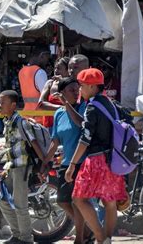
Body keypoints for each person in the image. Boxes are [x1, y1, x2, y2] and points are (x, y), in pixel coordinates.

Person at [65, 68, 131, 244]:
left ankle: (100, 237)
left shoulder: (92, 107)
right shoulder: (111, 104)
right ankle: (107, 239)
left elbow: (85, 138)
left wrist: (72, 165)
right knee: (109, 202)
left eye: (82, 86)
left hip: (96, 161)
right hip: (113, 160)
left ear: (93, 87)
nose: (80, 90)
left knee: (78, 199)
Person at [43, 78, 92, 244]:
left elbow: (80, 123)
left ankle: (80, 238)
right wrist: (45, 160)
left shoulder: (84, 108)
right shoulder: (59, 113)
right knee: (62, 201)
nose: (76, 92)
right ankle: (86, 229)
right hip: (66, 164)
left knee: (78, 202)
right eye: (71, 90)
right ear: (62, 92)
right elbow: (55, 140)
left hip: (81, 163)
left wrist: (67, 104)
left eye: (77, 89)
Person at [0, 90, 46, 244]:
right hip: (12, 166)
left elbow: (34, 143)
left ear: (13, 105)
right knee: (3, 201)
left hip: (22, 168)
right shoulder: (7, 121)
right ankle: (17, 235)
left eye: (2, 102)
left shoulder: (20, 122)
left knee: (20, 205)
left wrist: (43, 165)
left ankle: (26, 239)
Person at [18, 48, 50, 123]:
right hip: (39, 118)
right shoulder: (40, 72)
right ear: (41, 56)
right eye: (46, 58)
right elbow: (46, 96)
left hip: (26, 116)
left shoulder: (21, 71)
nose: (47, 61)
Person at [38, 57, 70, 128]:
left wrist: (63, 82)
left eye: (59, 68)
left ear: (68, 71)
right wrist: (62, 108)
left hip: (66, 124)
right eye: (55, 68)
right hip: (50, 125)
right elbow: (41, 104)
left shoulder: (73, 85)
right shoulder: (50, 83)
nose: (55, 71)